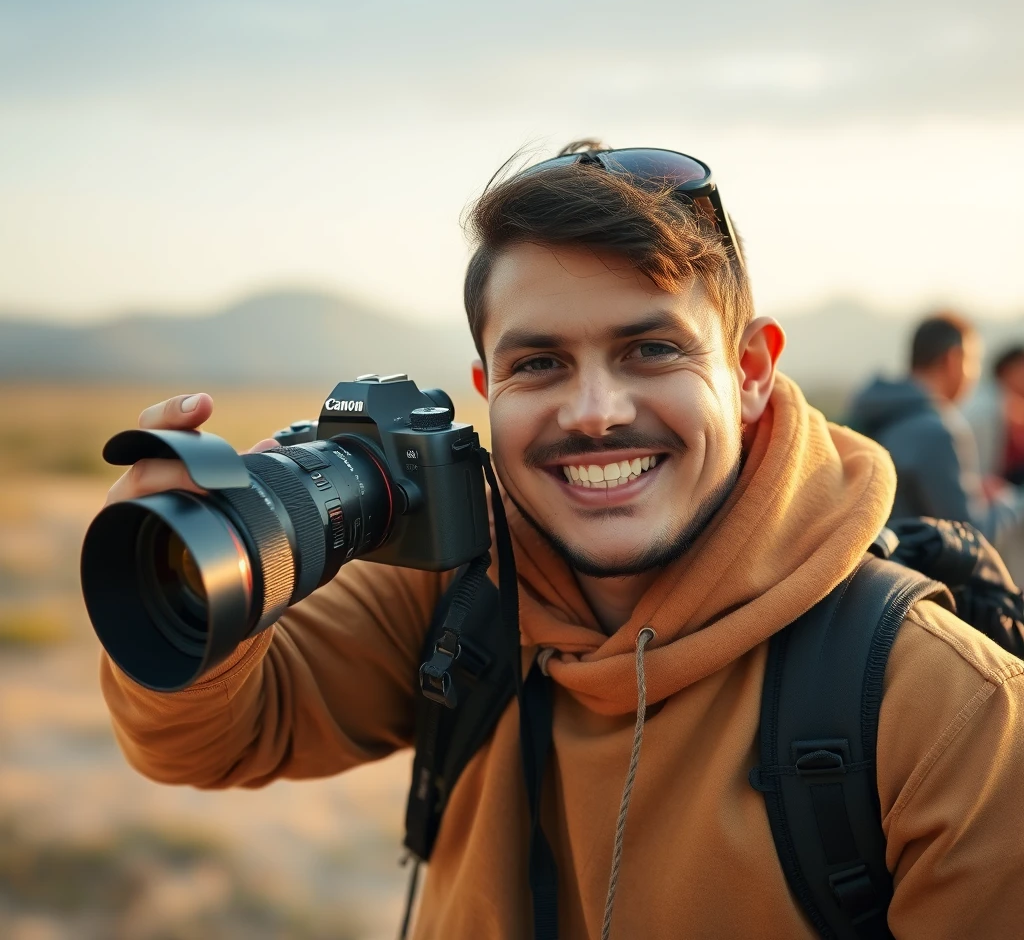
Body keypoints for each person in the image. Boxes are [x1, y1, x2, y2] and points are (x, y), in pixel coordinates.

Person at [98, 144, 1024, 938]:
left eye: (650, 350)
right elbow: (205, 743)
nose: (593, 413)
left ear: (748, 371)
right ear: (487, 388)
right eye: (539, 363)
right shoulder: (460, 585)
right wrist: (205, 567)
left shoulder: (950, 714)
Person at [846, 314, 1024, 543]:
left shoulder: (872, 410)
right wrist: (1010, 503)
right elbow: (969, 537)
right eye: (974, 361)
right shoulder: (939, 431)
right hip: (909, 564)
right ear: (953, 359)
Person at [964, 343, 1024, 580]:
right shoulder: (988, 408)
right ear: (1008, 370)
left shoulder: (1002, 405)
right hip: (988, 504)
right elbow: (980, 472)